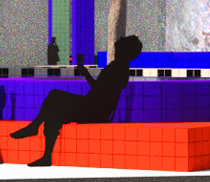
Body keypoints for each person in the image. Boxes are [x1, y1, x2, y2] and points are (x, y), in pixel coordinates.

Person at [11, 35, 142, 167]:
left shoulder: (117, 68)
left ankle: (35, 129)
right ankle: (45, 154)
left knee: (55, 96)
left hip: (93, 110)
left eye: (118, 48)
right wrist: (84, 72)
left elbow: (98, 90)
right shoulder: (120, 68)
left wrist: (84, 73)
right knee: (54, 113)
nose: (115, 50)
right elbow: (101, 89)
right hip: (94, 107)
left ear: (124, 52)